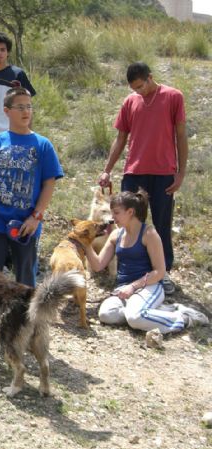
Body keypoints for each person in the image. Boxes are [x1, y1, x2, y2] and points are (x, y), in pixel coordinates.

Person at [98, 62, 187, 295]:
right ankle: (128, 273)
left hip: (163, 173)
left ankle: (163, 273)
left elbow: (181, 136)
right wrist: (107, 169)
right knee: (127, 223)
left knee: (161, 223)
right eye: (134, 88)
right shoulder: (130, 102)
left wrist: (180, 172)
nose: (138, 91)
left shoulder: (173, 97)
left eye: (140, 86)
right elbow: (120, 138)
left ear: (150, 77)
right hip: (134, 171)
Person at [0, 87, 63, 288]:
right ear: (6, 111)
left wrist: (36, 217)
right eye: (20, 107)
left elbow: (49, 184)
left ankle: (25, 319)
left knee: (25, 277)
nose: (26, 112)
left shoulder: (43, 145)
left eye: (29, 107)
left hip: (26, 221)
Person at [85, 189, 208, 333]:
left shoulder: (149, 234)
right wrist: (86, 244)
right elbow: (98, 265)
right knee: (107, 315)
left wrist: (133, 287)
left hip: (149, 286)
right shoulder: (115, 234)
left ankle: (184, 317)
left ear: (130, 212)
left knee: (134, 318)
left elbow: (159, 272)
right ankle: (154, 311)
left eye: (116, 213)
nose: (112, 217)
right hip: (124, 289)